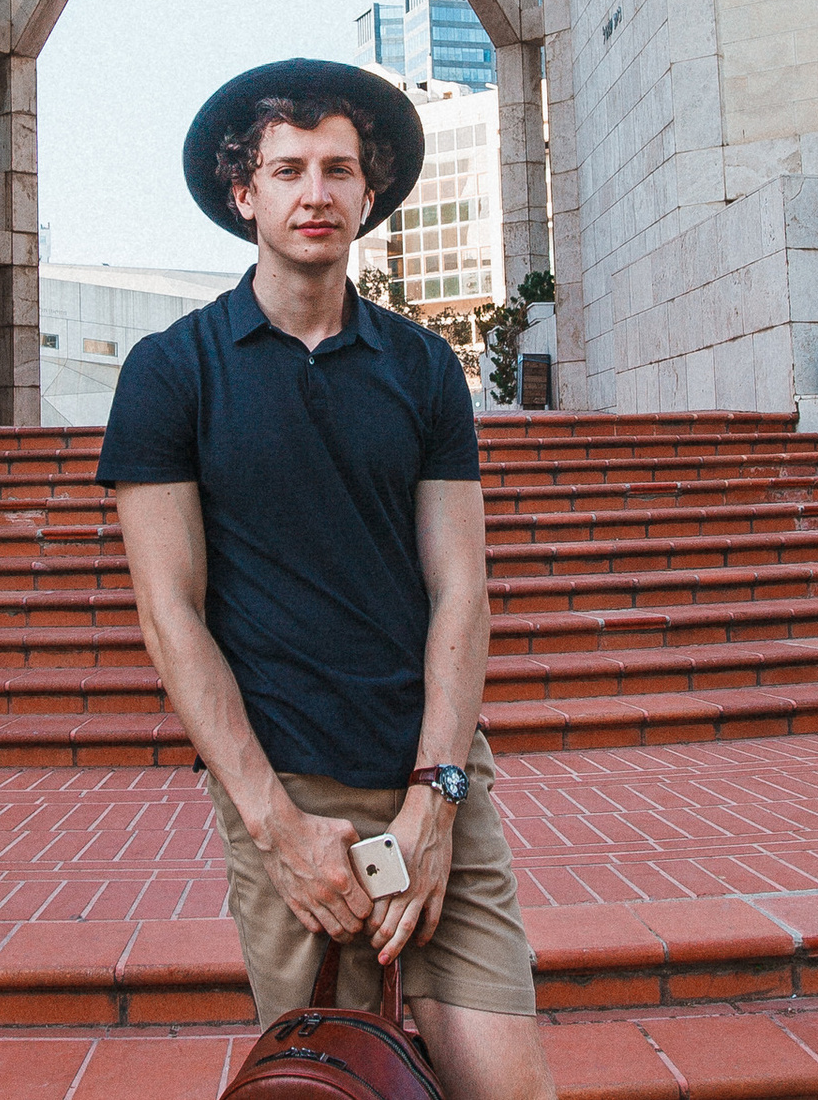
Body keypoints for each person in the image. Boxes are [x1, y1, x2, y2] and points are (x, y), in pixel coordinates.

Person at [97, 58, 556, 1100]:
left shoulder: (422, 367)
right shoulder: (173, 370)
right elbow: (170, 613)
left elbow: (461, 589)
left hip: (428, 773)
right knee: (332, 1083)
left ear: (368, 192)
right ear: (243, 193)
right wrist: (274, 826)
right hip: (289, 794)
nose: (317, 193)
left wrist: (438, 797)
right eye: (290, 169)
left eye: (340, 170)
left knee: (508, 1086)